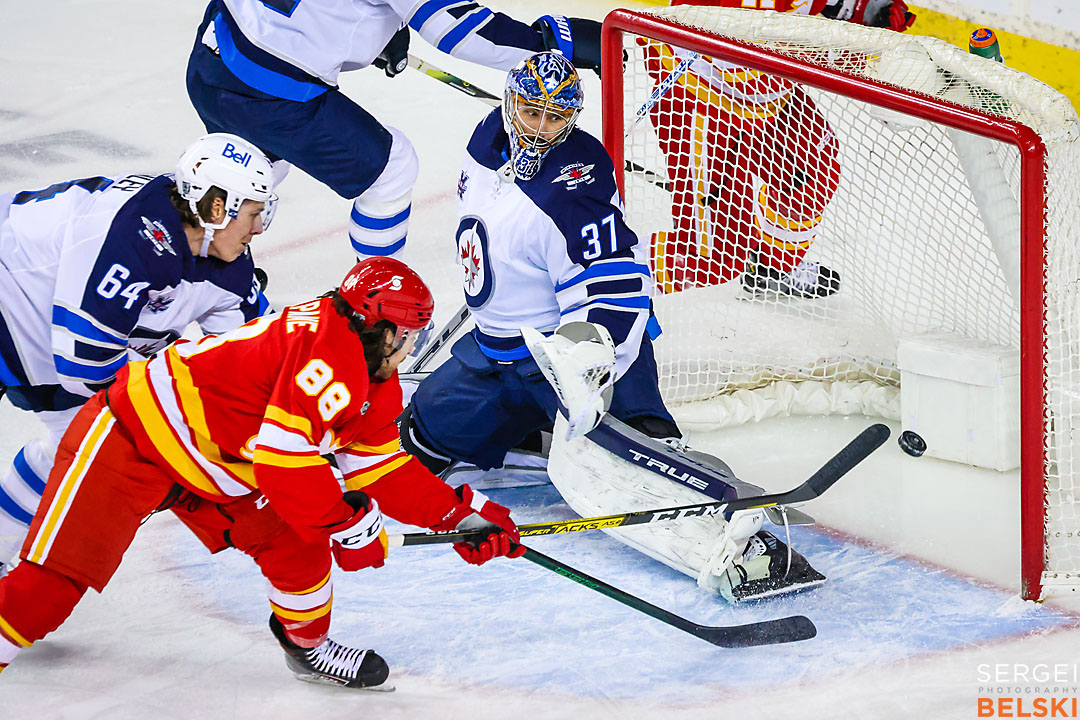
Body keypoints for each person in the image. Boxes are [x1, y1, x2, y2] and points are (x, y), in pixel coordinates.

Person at [398, 52, 824, 602]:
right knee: (416, 441)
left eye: (557, 117)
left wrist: (589, 367)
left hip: (567, 358)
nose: (542, 129)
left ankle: (748, 552)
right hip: (493, 356)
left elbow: (617, 285)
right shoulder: (488, 139)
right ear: (509, 103)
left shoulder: (575, 182)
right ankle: (530, 431)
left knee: (643, 469)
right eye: (531, 112)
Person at [0, 257, 524, 688]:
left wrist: (463, 516)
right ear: (383, 331)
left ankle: (306, 647)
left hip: (223, 464)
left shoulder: (369, 375)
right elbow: (283, 461)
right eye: (410, 333)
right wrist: (347, 522)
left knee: (300, 551)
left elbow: (380, 468)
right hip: (136, 437)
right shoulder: (328, 356)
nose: (413, 345)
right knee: (49, 590)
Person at [0, 132, 274, 572]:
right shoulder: (134, 238)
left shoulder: (222, 260)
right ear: (217, 208)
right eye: (255, 213)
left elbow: (259, 358)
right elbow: (85, 366)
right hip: (13, 289)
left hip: (32, 314)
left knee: (75, 445)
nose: (259, 228)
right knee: (97, 433)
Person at [186, 0, 603, 260]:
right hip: (268, 90)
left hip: (218, 47)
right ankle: (378, 311)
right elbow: (459, 31)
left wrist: (378, 28)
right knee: (391, 168)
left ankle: (163, 254)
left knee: (240, 180)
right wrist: (549, 44)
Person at [641, 0, 914, 297]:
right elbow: (742, 51)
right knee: (714, 258)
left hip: (767, 90)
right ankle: (609, 280)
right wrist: (853, 53)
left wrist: (868, 14)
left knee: (813, 173)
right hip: (701, 94)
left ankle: (772, 269)